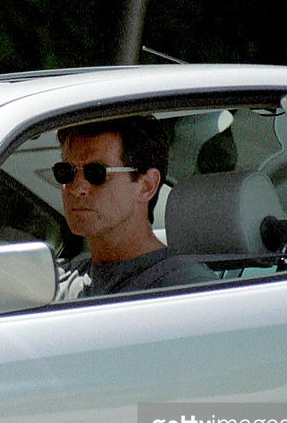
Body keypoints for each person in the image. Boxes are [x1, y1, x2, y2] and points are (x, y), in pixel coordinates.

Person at [53, 116, 215, 298]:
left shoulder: (187, 290)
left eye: (96, 173)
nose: (77, 188)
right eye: (66, 172)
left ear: (147, 186)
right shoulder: (56, 283)